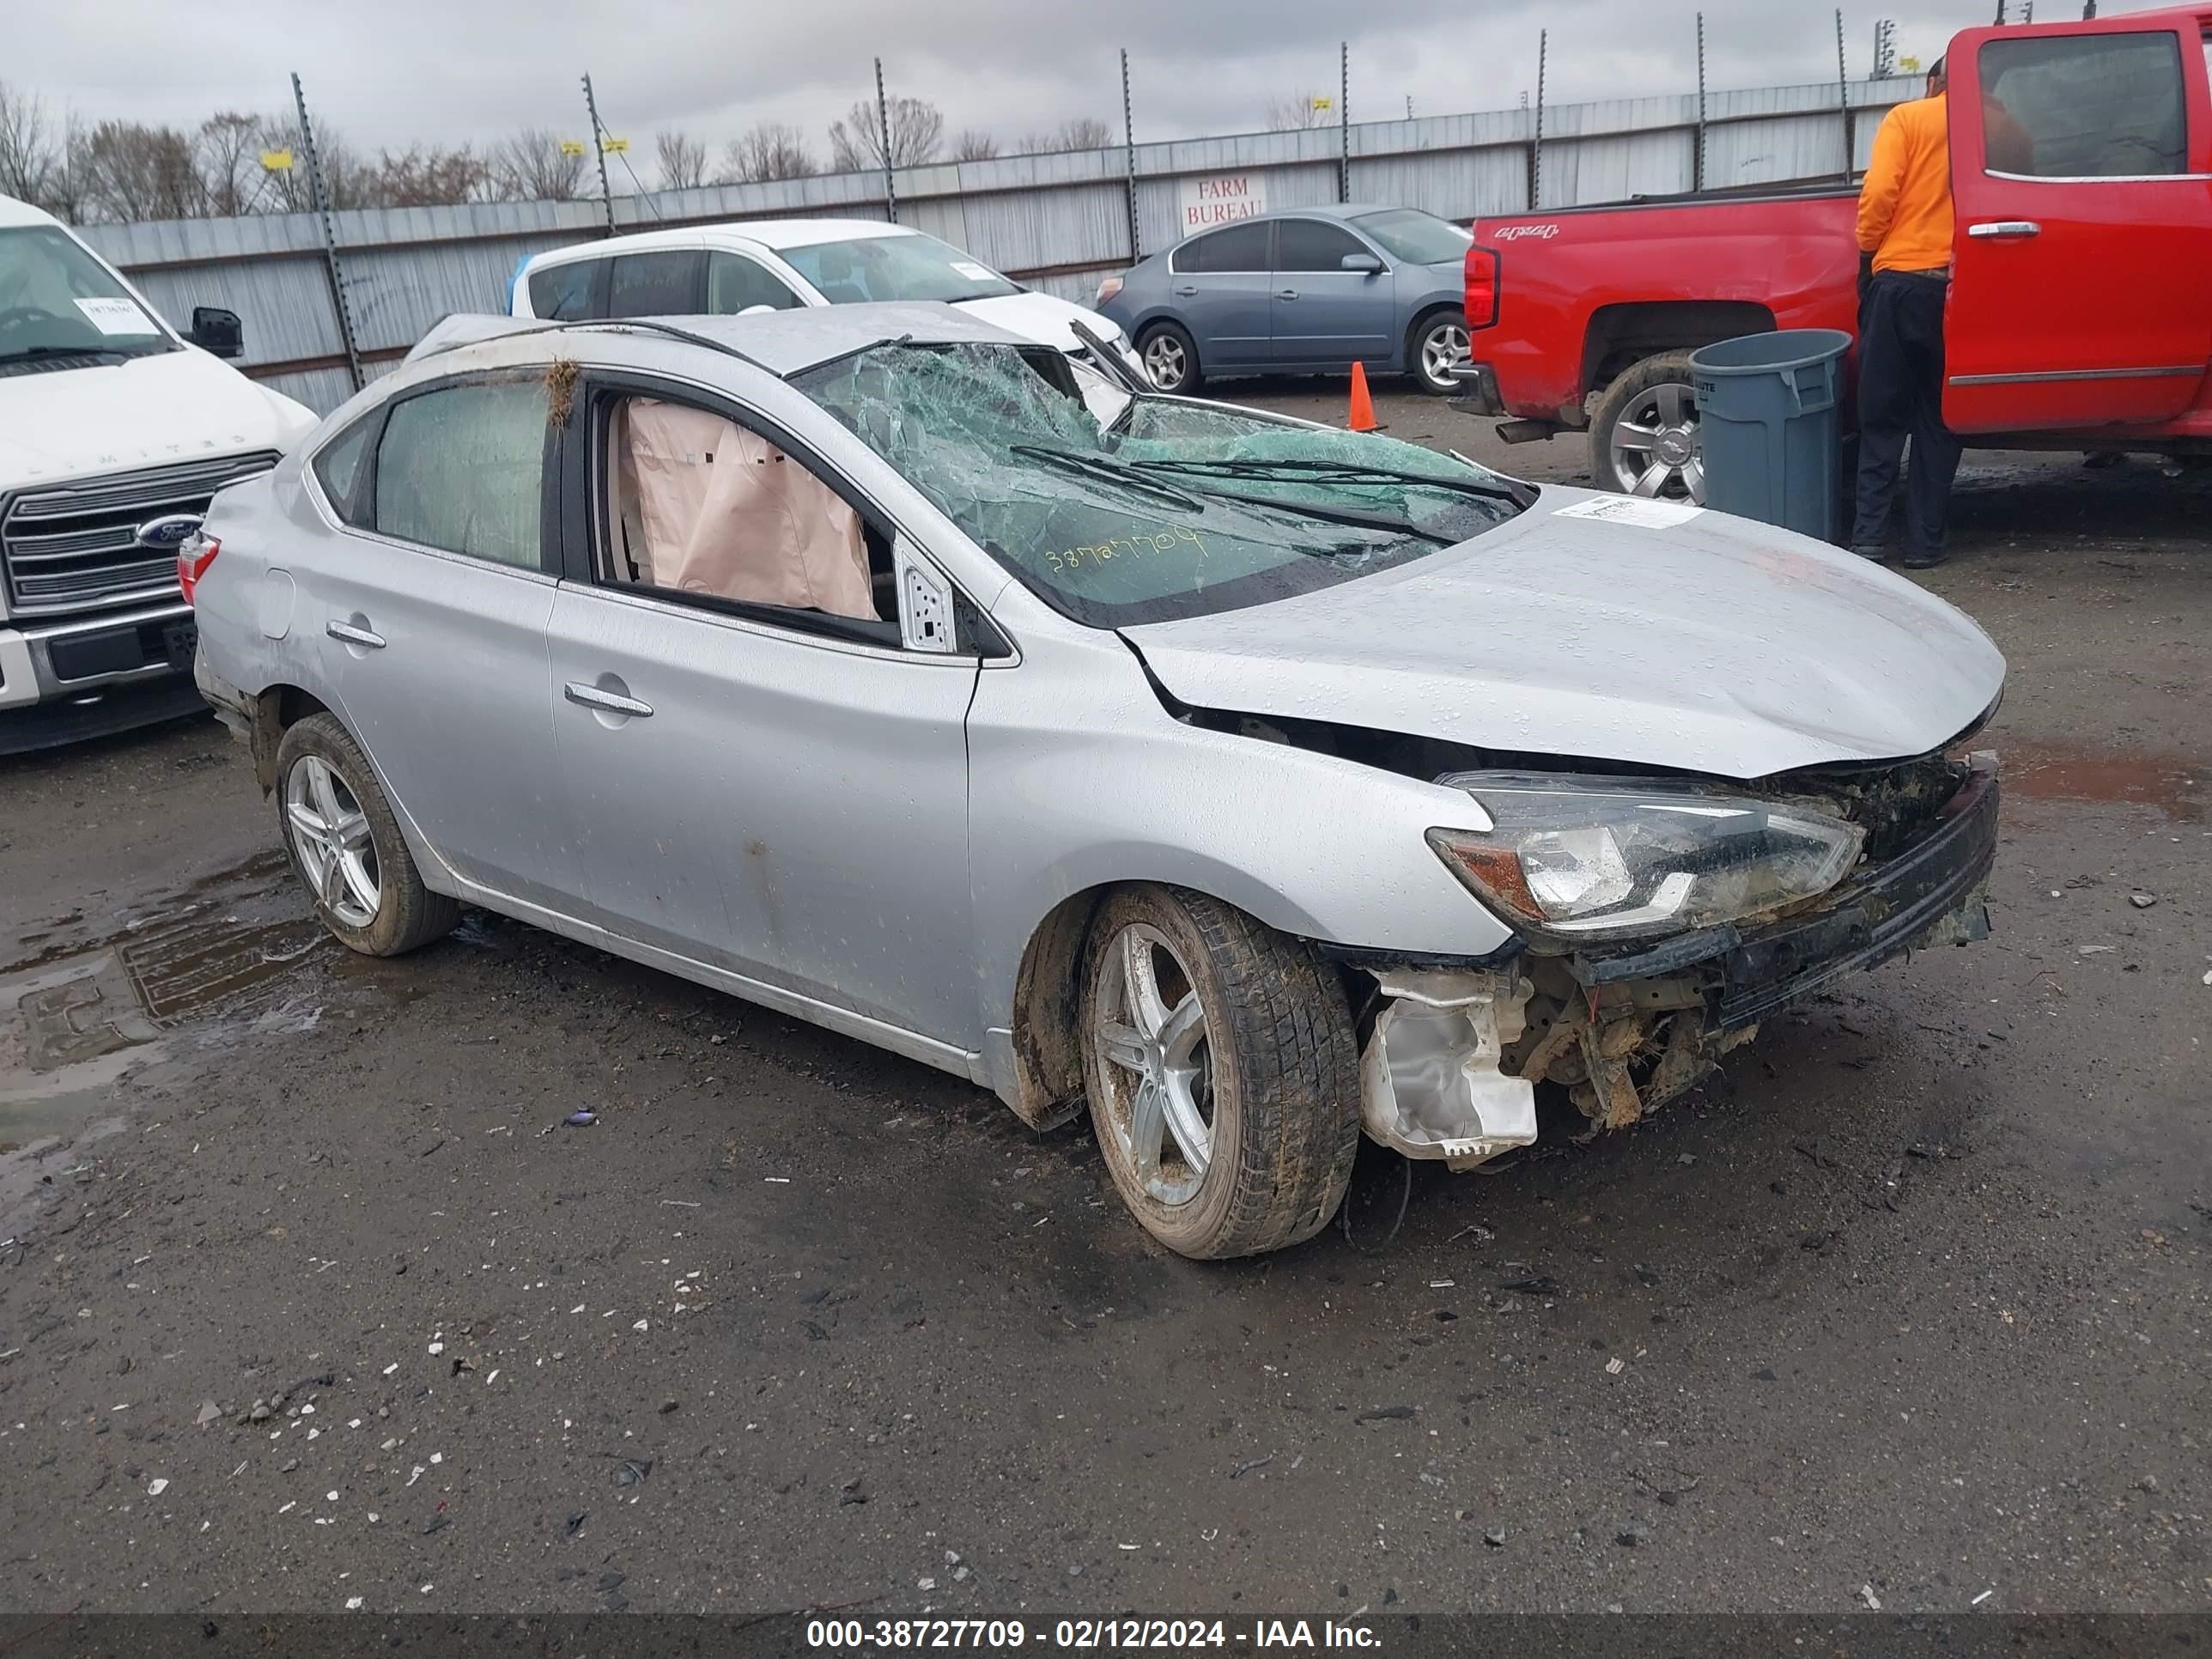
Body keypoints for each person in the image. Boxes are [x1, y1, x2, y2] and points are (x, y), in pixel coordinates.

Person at [1850, 58, 1964, 569]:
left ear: (1933, 83)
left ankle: (1869, 540)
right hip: (1962, 291)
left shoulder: (1909, 118)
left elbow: (1879, 194)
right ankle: (1925, 544)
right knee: (1940, 420)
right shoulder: (2000, 129)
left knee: (1883, 416)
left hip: (1899, 285)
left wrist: (1868, 250)